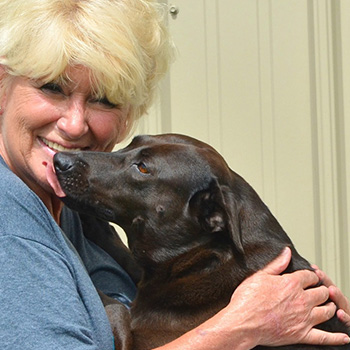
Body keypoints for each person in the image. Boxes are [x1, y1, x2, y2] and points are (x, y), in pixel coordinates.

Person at [0, 0, 348, 349]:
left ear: (128, 114)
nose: (74, 125)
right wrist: (241, 327)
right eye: (52, 87)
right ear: (2, 85)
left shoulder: (64, 206)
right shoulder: (12, 228)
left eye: (104, 99)